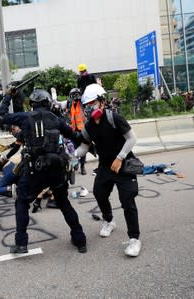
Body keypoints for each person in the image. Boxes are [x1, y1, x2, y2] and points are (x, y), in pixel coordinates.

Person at [0, 89, 87, 254]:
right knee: (64, 203)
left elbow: (2, 116)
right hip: (56, 168)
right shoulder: (56, 120)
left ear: (32, 104)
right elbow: (76, 137)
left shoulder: (25, 117)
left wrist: (8, 96)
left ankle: (21, 244)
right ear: (47, 103)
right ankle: (80, 239)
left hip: (34, 171)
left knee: (22, 203)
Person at [76, 83, 141, 257]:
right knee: (99, 193)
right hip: (105, 167)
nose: (89, 108)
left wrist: (120, 158)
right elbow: (84, 146)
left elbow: (131, 139)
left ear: (102, 102)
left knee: (127, 201)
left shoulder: (114, 118)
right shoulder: (89, 126)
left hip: (123, 165)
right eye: (87, 105)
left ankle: (134, 239)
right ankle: (109, 221)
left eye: (92, 104)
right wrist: (72, 156)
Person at [68, 88, 87, 175]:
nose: (75, 96)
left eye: (77, 94)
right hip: (73, 130)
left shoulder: (83, 103)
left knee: (83, 149)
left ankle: (83, 167)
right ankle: (76, 163)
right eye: (73, 94)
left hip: (82, 130)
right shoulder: (69, 104)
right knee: (72, 149)